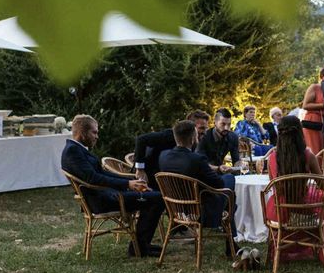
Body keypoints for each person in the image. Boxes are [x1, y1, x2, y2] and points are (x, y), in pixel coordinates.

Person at [61, 115, 164, 257]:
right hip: (103, 200)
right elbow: (93, 178)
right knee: (158, 198)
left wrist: (131, 179)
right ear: (82, 133)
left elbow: (102, 172)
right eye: (94, 132)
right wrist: (128, 184)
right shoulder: (72, 151)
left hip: (107, 195)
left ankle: (141, 245)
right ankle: (139, 248)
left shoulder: (77, 149)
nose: (97, 137)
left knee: (153, 195)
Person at [158, 120, 238, 256]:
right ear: (193, 137)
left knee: (229, 198)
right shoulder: (196, 159)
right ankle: (231, 241)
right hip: (200, 212)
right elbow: (218, 184)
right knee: (229, 184)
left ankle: (232, 241)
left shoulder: (163, 156)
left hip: (175, 210)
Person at [265, 115, 324, 262]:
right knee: (321, 207)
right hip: (304, 208)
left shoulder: (272, 157)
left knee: (275, 201)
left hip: (279, 210)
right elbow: (323, 186)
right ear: (300, 133)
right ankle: (317, 247)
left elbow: (274, 184)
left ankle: (281, 246)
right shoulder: (308, 155)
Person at [134, 110, 210, 188]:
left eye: (206, 129)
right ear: (191, 127)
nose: (204, 132)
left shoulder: (193, 143)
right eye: (201, 128)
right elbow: (141, 139)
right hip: (149, 179)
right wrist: (140, 169)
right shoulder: (170, 135)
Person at [302, 65, 324, 155]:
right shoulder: (315, 87)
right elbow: (305, 105)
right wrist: (323, 105)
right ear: (322, 77)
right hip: (313, 122)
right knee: (315, 150)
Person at [197, 108, 241, 173]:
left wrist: (238, 167)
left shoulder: (233, 137)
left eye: (229, 124)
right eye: (223, 124)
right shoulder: (204, 137)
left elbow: (236, 160)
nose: (226, 128)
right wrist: (219, 168)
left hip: (221, 172)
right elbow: (202, 164)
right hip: (204, 174)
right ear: (215, 122)